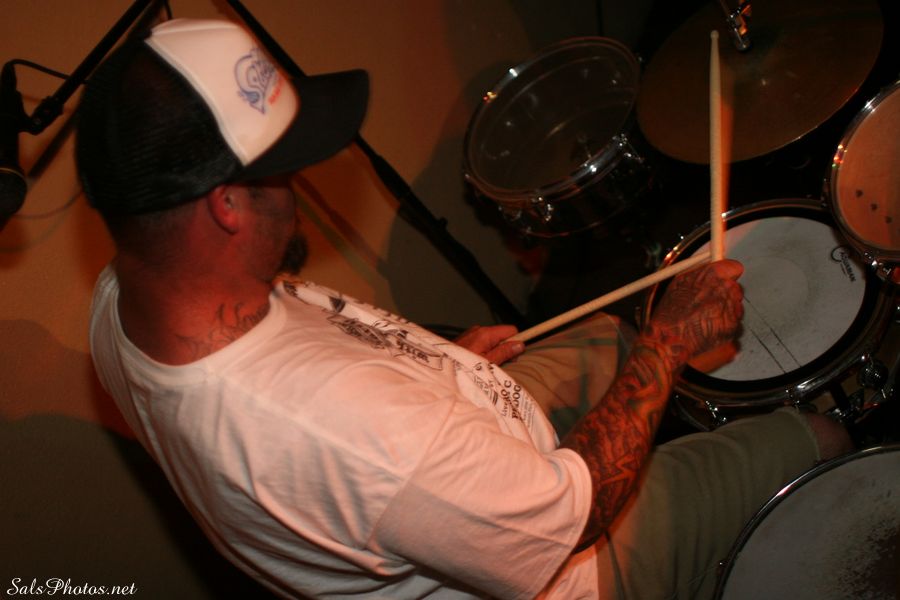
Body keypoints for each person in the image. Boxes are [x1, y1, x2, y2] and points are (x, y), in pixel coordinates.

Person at [78, 18, 852, 600]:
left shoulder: (127, 298)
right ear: (226, 206)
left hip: (444, 449)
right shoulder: (344, 425)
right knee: (818, 435)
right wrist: (668, 344)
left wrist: (440, 370)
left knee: (603, 329)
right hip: (570, 565)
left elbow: (371, 428)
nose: (300, 187)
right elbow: (574, 514)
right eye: (283, 171)